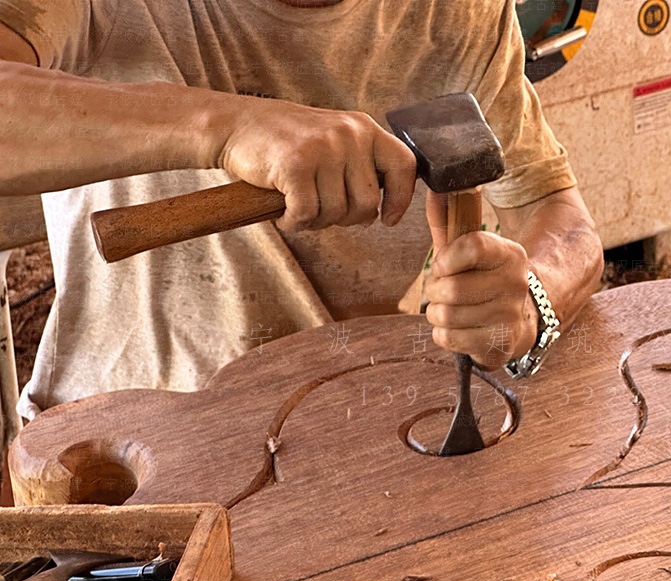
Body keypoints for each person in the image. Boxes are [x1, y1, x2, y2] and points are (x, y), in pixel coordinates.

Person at [0, 0, 604, 419]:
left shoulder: (458, 12)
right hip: (128, 441)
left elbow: (558, 212)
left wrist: (530, 299)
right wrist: (228, 125)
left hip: (344, 421)